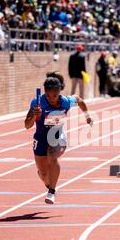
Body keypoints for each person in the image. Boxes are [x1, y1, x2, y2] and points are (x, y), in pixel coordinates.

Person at [24, 71, 93, 205]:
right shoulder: (37, 102)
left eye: (54, 95)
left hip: (57, 136)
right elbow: (27, 125)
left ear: (59, 92)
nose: (51, 98)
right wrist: (33, 114)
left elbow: (80, 100)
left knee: (52, 155)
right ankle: (48, 183)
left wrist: (87, 116)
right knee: (44, 175)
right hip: (40, 138)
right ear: (44, 92)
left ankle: (52, 191)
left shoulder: (66, 102)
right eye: (48, 96)